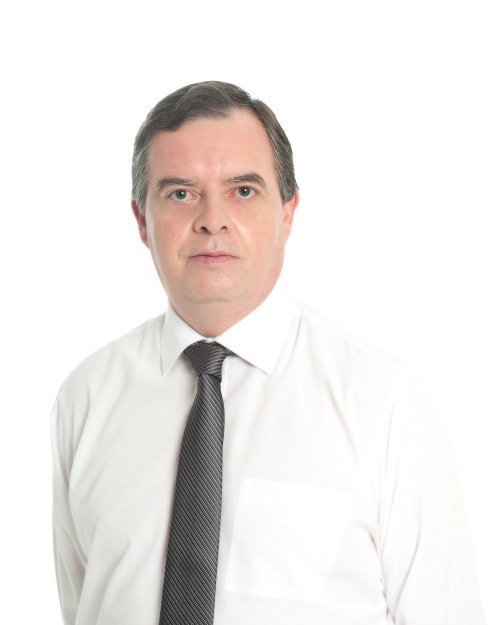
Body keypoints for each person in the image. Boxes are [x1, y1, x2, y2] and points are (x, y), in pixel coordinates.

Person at [51, 81, 485, 625]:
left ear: (287, 212)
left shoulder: (382, 401)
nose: (212, 219)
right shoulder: (86, 398)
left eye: (243, 190)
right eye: (181, 193)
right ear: (142, 220)